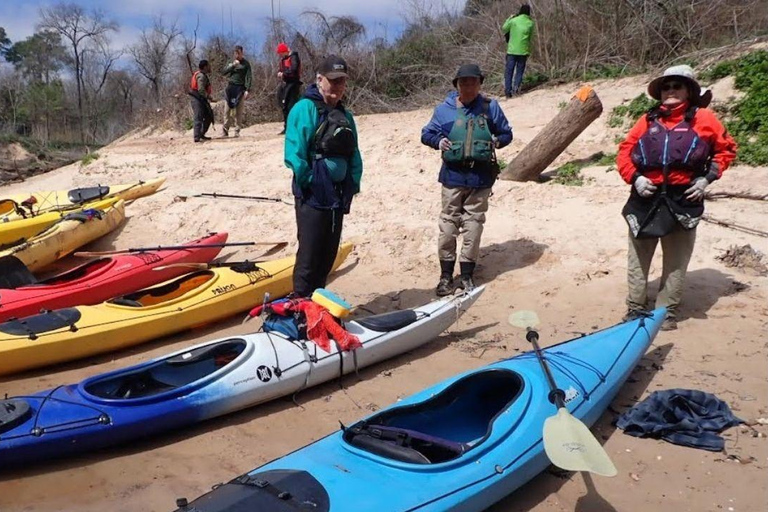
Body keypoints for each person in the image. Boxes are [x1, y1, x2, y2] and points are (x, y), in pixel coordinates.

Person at [617, 65, 737, 330]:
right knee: (638, 259)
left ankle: (665, 311)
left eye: (677, 86)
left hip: (683, 198)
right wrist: (635, 177)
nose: (670, 91)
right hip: (644, 197)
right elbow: (625, 152)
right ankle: (635, 309)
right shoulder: (647, 120)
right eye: (666, 87)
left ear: (689, 91)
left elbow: (726, 150)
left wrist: (705, 180)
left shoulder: (705, 119)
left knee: (676, 260)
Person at [421, 63, 513, 296]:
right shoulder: (444, 110)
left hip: (481, 177)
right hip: (452, 176)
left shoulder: (490, 107)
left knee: (473, 225)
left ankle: (467, 275)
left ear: (480, 84)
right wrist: (438, 142)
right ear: (457, 85)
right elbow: (427, 134)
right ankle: (445, 276)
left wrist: (497, 141)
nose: (469, 86)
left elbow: (506, 133)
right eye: (464, 82)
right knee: (448, 225)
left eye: (473, 82)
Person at [285, 55, 363, 297]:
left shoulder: (345, 115)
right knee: (309, 255)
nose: (338, 87)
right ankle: (300, 307)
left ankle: (317, 304)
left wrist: (353, 183)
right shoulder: (304, 108)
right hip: (313, 194)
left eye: (342, 82)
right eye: (333, 81)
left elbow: (354, 153)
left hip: (337, 196)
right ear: (320, 80)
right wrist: (310, 181)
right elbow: (294, 152)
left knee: (328, 255)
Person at [501, 4, 534, 98]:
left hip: (512, 50)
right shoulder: (530, 23)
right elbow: (530, 38)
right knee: (520, 71)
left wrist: (509, 18)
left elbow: (504, 28)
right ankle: (516, 89)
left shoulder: (513, 20)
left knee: (509, 71)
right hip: (523, 51)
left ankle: (508, 92)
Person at [221, 45, 252, 137]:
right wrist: (233, 65)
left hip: (240, 88)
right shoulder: (231, 62)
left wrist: (247, 89)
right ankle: (225, 129)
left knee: (239, 110)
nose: (237, 55)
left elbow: (249, 77)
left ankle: (237, 130)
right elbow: (224, 72)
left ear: (242, 53)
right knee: (227, 110)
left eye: (238, 53)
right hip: (231, 87)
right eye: (235, 53)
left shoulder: (246, 64)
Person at [276, 42, 302, 135]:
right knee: (284, 106)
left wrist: (284, 73)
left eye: (281, 53)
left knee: (291, 106)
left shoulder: (294, 57)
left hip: (293, 84)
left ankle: (293, 126)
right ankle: (286, 127)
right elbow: (281, 69)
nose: (280, 55)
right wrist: (280, 72)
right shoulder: (283, 60)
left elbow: (294, 69)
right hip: (285, 84)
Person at [189, 59, 214, 143]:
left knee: (208, 116)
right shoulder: (201, 76)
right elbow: (201, 90)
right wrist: (209, 97)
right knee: (198, 116)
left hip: (201, 98)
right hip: (197, 98)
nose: (210, 67)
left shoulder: (202, 75)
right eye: (209, 66)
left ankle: (201, 134)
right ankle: (197, 137)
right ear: (205, 67)